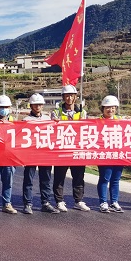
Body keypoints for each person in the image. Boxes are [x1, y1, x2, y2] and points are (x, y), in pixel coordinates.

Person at [51, 84, 90, 212]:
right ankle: (59, 201)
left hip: (77, 149)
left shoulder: (82, 112)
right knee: (59, 176)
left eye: (72, 96)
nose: (69, 98)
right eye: (67, 96)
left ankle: (78, 200)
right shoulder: (56, 112)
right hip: (62, 149)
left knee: (79, 176)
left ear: (75, 97)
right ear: (63, 97)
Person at [22, 93, 58, 214]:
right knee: (28, 179)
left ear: (42, 106)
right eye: (35, 104)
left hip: (44, 154)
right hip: (30, 154)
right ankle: (27, 203)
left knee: (46, 179)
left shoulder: (48, 119)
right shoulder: (25, 121)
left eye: (40, 104)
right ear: (31, 106)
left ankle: (45, 203)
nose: (37, 107)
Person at [96, 95, 124, 213]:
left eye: (113, 107)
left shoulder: (121, 120)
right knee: (105, 178)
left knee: (116, 179)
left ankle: (114, 202)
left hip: (118, 154)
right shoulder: (97, 122)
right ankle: (103, 202)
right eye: (107, 107)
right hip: (104, 154)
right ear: (102, 108)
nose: (110, 110)